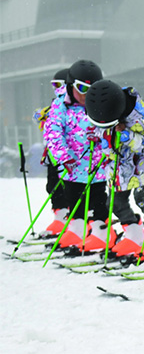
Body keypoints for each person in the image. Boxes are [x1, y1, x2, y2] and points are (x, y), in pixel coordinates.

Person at [85, 79, 144, 258]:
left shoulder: (139, 117)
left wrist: (125, 135)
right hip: (118, 166)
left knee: (143, 198)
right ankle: (133, 235)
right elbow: (104, 135)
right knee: (114, 202)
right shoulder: (103, 113)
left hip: (141, 164)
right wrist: (97, 136)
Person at [42, 59, 114, 251]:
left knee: (98, 199)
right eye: (81, 88)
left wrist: (102, 140)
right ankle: (76, 229)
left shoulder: (99, 104)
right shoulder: (60, 106)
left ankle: (101, 230)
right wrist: (64, 157)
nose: (85, 95)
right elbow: (53, 133)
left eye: (91, 89)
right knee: (74, 198)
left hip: (97, 167)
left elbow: (111, 129)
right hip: (72, 166)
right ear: (70, 85)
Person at [34, 68, 72, 236]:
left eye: (58, 84)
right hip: (53, 151)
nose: (55, 88)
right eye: (53, 85)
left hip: (67, 152)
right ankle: (61, 217)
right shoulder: (56, 103)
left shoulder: (71, 104)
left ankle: (76, 219)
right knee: (52, 185)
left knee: (68, 186)